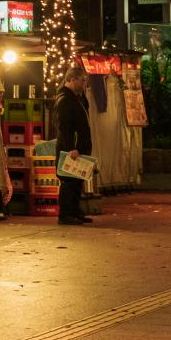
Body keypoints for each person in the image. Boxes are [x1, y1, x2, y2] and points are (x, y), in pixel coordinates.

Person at [55, 64, 93, 225]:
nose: (84, 84)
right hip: (71, 148)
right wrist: (71, 148)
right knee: (68, 182)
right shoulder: (64, 99)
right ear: (72, 79)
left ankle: (75, 211)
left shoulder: (76, 98)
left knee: (77, 181)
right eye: (82, 80)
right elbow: (65, 127)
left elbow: (85, 109)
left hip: (79, 146)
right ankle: (65, 214)